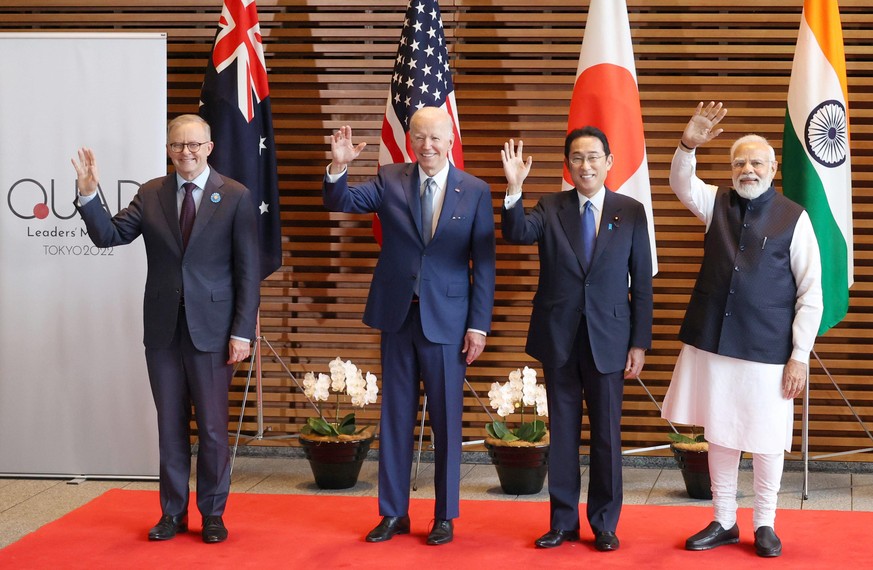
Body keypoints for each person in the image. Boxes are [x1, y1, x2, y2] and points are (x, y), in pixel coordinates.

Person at [71, 114, 260, 544]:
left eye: (194, 145)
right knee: (170, 426)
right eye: (178, 145)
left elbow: (248, 272)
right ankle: (172, 513)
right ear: (169, 149)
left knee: (212, 429)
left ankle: (213, 514)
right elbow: (109, 235)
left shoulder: (235, 197)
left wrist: (242, 332)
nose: (186, 153)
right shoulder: (151, 193)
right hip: (162, 332)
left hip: (213, 332)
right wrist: (88, 193)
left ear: (209, 148)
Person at [322, 106, 495, 546]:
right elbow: (341, 201)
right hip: (398, 316)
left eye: (435, 137)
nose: (427, 146)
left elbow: (485, 266)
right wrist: (338, 168)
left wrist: (478, 325)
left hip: (450, 322)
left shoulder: (474, 190)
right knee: (395, 417)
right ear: (410, 140)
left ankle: (444, 516)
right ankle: (393, 512)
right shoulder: (390, 179)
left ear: (450, 139)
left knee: (446, 422)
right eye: (419, 137)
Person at [661, 102, 823, 558]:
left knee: (768, 437)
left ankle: (766, 524)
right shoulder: (716, 202)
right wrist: (688, 142)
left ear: (772, 168)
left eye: (755, 162)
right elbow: (680, 182)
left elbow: (811, 292)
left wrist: (800, 355)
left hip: (769, 349)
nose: (746, 169)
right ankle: (724, 519)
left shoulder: (794, 217)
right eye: (738, 162)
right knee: (722, 432)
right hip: (716, 343)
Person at [501, 128, 653, 552]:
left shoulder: (632, 211)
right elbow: (516, 234)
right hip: (560, 338)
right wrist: (514, 188)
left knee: (606, 436)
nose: (585, 165)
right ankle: (563, 522)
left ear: (609, 161)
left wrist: (638, 343)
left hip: (611, 339)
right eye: (576, 158)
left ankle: (605, 523)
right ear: (567, 165)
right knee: (563, 433)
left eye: (593, 157)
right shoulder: (550, 207)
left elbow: (641, 283)